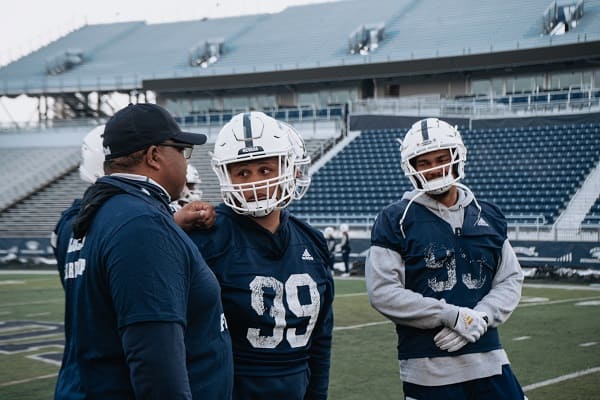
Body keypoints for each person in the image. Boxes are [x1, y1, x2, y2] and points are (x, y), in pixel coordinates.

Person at [53, 103, 233, 400]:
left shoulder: (96, 213)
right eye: (182, 151)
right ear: (154, 156)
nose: (186, 163)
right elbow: (155, 363)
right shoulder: (143, 225)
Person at [365, 117, 525, 400]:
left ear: (457, 158)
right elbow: (383, 292)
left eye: (441, 158)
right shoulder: (395, 219)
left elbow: (510, 278)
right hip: (428, 368)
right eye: (424, 163)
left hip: (490, 360)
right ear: (411, 168)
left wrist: (481, 318)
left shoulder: (487, 214)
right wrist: (451, 315)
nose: (435, 168)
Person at [188, 111, 334, 400]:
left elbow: (321, 338)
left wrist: (317, 394)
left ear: (288, 169)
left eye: (265, 170)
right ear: (225, 175)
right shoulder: (208, 239)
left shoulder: (312, 240)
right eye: (243, 172)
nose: (255, 183)